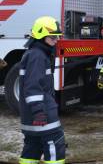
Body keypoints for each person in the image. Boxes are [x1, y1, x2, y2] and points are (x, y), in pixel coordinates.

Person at [19, 16, 65, 164]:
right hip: (42, 115)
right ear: (41, 36)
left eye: (57, 37)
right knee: (55, 146)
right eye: (53, 37)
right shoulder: (37, 56)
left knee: (32, 149)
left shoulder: (34, 54)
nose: (56, 40)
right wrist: (39, 112)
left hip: (31, 116)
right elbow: (33, 86)